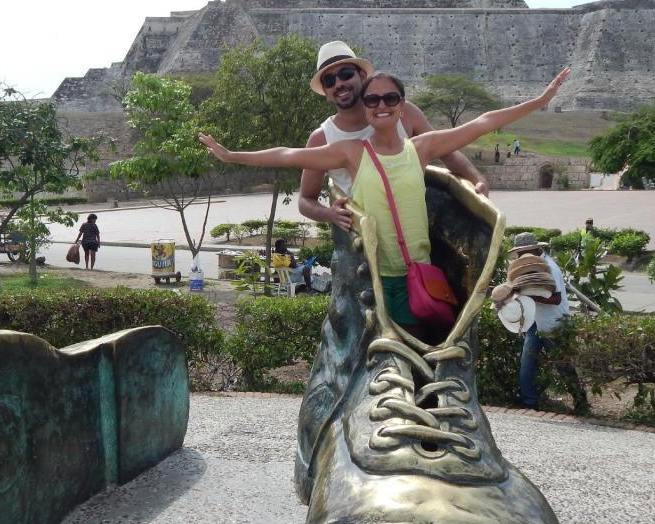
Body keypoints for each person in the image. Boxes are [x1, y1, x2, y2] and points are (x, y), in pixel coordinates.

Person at [200, 68, 570, 338]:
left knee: (438, 346)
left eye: (390, 98)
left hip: (423, 275)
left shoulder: (420, 148)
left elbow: (483, 123)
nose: (381, 105)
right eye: (372, 99)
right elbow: (286, 154)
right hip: (377, 278)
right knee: (395, 357)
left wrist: (540, 101)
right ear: (364, 106)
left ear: (401, 104)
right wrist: (232, 155)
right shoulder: (350, 153)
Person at [298, 42, 489, 232]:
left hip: (413, 228)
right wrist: (329, 214)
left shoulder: (404, 113)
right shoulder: (321, 138)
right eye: (330, 81)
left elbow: (446, 151)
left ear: (362, 76)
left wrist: (476, 178)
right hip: (360, 238)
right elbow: (305, 199)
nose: (339, 84)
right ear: (325, 91)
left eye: (346, 74)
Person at [509, 232, 589, 414]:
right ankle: (530, 404)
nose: (522, 257)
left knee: (563, 366)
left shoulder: (550, 267)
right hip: (535, 323)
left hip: (554, 324)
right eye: (520, 254)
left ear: (536, 250)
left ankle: (580, 402)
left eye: (524, 253)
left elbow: (556, 299)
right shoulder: (527, 267)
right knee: (527, 366)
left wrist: (530, 296)